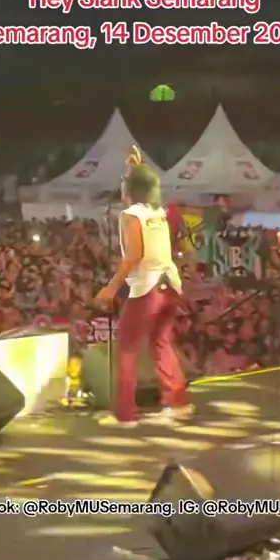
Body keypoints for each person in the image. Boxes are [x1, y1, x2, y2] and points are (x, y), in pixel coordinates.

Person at [94, 147, 194, 427]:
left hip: (147, 290)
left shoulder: (131, 215)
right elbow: (143, 185)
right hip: (169, 286)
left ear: (131, 189)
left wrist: (111, 288)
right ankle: (178, 404)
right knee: (161, 345)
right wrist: (135, 168)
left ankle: (125, 415)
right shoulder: (159, 211)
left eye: (125, 182)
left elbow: (134, 255)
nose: (122, 185)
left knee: (127, 350)